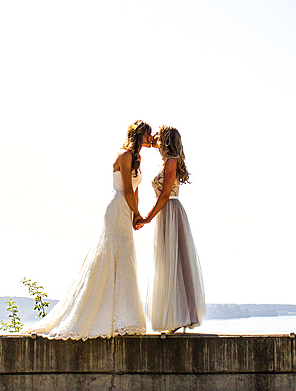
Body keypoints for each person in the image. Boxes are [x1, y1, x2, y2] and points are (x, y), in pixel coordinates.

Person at [26, 121, 150, 339]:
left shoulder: (137, 158)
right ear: (141, 135)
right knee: (110, 258)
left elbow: (136, 190)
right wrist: (137, 213)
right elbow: (128, 190)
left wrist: (135, 215)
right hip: (117, 209)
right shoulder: (125, 155)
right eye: (149, 135)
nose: (152, 139)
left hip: (126, 211)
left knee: (126, 259)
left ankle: (124, 317)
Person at [135, 125, 205, 333]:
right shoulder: (166, 161)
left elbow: (165, 195)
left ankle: (185, 315)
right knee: (168, 263)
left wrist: (147, 218)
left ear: (165, 139)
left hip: (171, 211)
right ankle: (177, 316)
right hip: (165, 213)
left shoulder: (172, 162)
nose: (154, 137)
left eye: (158, 135)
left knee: (178, 262)